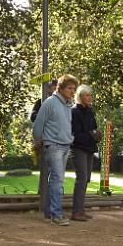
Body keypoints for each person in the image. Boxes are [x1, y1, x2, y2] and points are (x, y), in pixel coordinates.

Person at [33, 74, 78, 226]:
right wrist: (39, 141)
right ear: (61, 88)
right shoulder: (50, 102)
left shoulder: (68, 105)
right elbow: (37, 125)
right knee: (57, 181)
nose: (72, 91)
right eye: (70, 88)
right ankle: (56, 215)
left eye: (74, 89)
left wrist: (70, 138)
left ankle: (49, 213)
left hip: (65, 145)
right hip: (53, 146)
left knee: (55, 180)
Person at [71, 84, 101, 221]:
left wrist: (97, 134)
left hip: (89, 148)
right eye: (87, 95)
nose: (90, 98)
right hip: (78, 148)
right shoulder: (74, 112)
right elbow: (76, 134)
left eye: (91, 95)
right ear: (80, 96)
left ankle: (80, 210)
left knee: (86, 179)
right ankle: (76, 212)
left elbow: (93, 128)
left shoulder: (90, 111)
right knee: (81, 179)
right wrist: (91, 135)